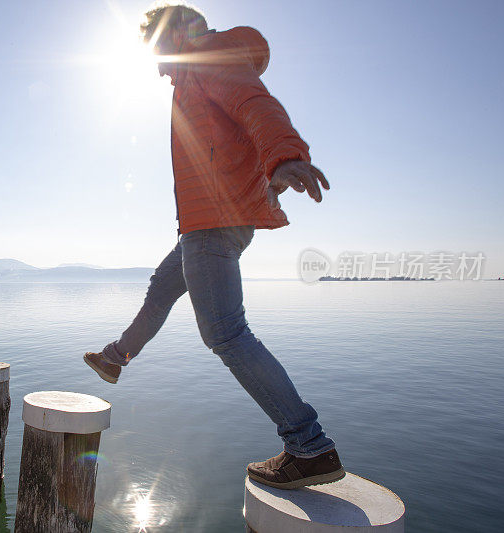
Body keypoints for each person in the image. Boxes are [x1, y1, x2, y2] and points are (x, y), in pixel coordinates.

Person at [84, 3, 343, 489]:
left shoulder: (211, 58)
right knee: (162, 288)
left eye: (157, 41)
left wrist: (284, 155)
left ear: (179, 32)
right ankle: (116, 357)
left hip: (214, 223)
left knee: (225, 333)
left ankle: (309, 446)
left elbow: (255, 104)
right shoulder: (190, 74)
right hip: (206, 223)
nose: (154, 54)